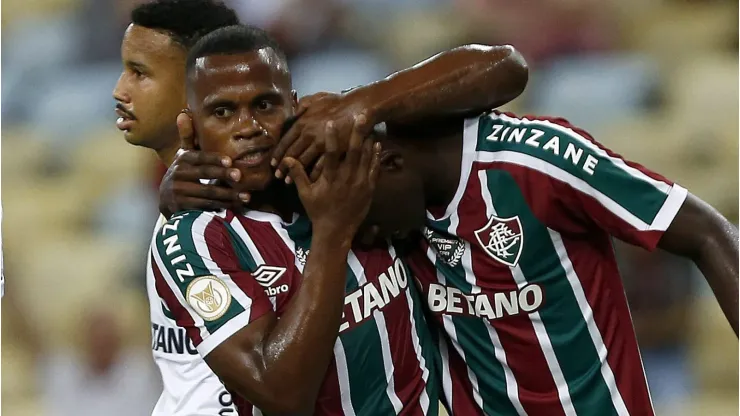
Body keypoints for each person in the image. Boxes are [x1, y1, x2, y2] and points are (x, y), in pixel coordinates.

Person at [284, 103, 739, 415]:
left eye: (363, 211)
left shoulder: (537, 161)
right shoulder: (391, 218)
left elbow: (709, 233)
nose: (365, 232)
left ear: (390, 164)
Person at [151, 24, 441, 415]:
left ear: (294, 105)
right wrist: (332, 232)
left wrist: (363, 103)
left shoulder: (349, 161)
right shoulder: (193, 239)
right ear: (192, 127)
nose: (248, 128)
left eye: (265, 105)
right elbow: (281, 396)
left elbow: (506, 67)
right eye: (223, 112)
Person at [111, 1, 243, 414]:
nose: (120, 89)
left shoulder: (235, 202)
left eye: (140, 72)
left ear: (197, 88)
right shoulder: (177, 196)